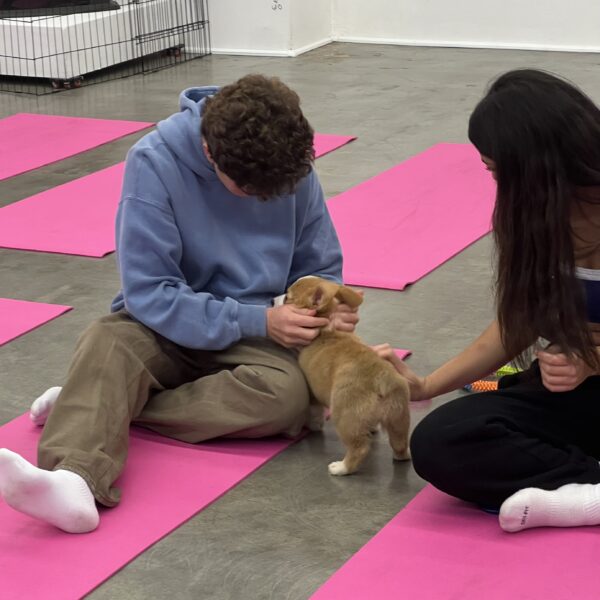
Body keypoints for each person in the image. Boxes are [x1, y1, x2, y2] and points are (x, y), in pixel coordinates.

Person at [0, 74, 359, 533]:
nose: (266, 197)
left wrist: (326, 304)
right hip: (167, 323)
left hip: (258, 331)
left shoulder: (289, 166)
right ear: (210, 153)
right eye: (249, 190)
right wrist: (258, 319)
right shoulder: (154, 162)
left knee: (289, 400)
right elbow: (148, 291)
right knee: (107, 342)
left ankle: (95, 403)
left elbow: (319, 264)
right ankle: (74, 477)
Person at [375, 69, 600, 533]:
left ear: (535, 165)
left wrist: (592, 361)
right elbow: (517, 323)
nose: (496, 184)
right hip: (581, 396)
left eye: (497, 170)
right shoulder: (538, 219)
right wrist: (425, 386)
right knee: (441, 441)